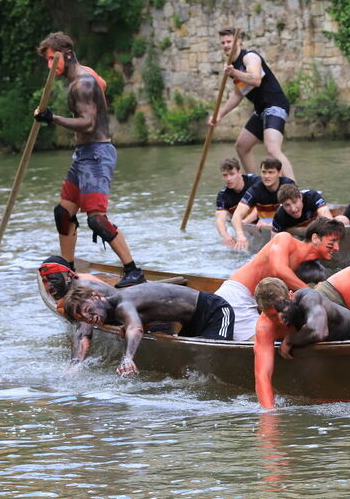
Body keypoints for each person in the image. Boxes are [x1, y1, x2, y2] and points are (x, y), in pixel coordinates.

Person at [34, 32, 144, 287]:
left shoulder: (82, 83)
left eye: (53, 59)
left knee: (96, 219)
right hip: (83, 154)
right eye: (48, 61)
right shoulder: (86, 75)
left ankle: (133, 271)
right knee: (63, 213)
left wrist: (52, 118)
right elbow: (102, 83)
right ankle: (68, 268)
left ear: (68, 54)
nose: (50, 66)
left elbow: (88, 123)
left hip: (97, 154)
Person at [253, 277, 350, 407]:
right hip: (324, 348)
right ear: (263, 312)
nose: (280, 319)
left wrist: (290, 340)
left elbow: (319, 332)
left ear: (291, 296)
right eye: (273, 315)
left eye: (282, 310)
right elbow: (262, 376)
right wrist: (269, 415)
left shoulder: (309, 298)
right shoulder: (264, 327)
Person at [214, 217, 345, 341]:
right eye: (333, 242)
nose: (337, 248)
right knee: (263, 344)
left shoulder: (306, 267)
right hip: (237, 297)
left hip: (257, 303)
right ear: (315, 238)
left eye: (339, 243)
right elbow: (279, 270)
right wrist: (312, 292)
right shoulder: (284, 239)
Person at [63, 281, 236, 375]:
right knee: (190, 367)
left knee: (213, 357)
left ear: (95, 296)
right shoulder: (116, 312)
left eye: (88, 310)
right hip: (190, 322)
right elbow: (148, 316)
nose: (89, 319)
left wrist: (128, 359)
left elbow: (135, 328)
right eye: (83, 318)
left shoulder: (123, 304)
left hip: (215, 310)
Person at [209, 29, 295, 180]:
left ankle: (293, 189)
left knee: (272, 149)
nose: (226, 45)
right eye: (223, 43)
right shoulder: (232, 66)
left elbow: (256, 80)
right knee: (242, 147)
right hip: (261, 110)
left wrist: (234, 73)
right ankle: (256, 186)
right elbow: (238, 94)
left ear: (239, 42)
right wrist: (219, 115)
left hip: (275, 105)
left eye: (229, 41)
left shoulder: (250, 57)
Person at [229, 157, 296, 250]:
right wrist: (240, 236)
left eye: (271, 172)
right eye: (264, 172)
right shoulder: (255, 190)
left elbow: (295, 212)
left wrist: (269, 224)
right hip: (266, 231)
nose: (266, 176)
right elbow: (236, 216)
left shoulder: (288, 185)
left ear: (279, 173)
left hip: (288, 229)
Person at [215, 157, 262, 248]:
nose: (228, 179)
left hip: (265, 218)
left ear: (239, 173)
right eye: (225, 175)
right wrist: (226, 236)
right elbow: (220, 219)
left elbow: (262, 205)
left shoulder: (255, 181)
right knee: (225, 216)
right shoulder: (223, 195)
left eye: (232, 174)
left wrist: (244, 222)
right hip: (245, 223)